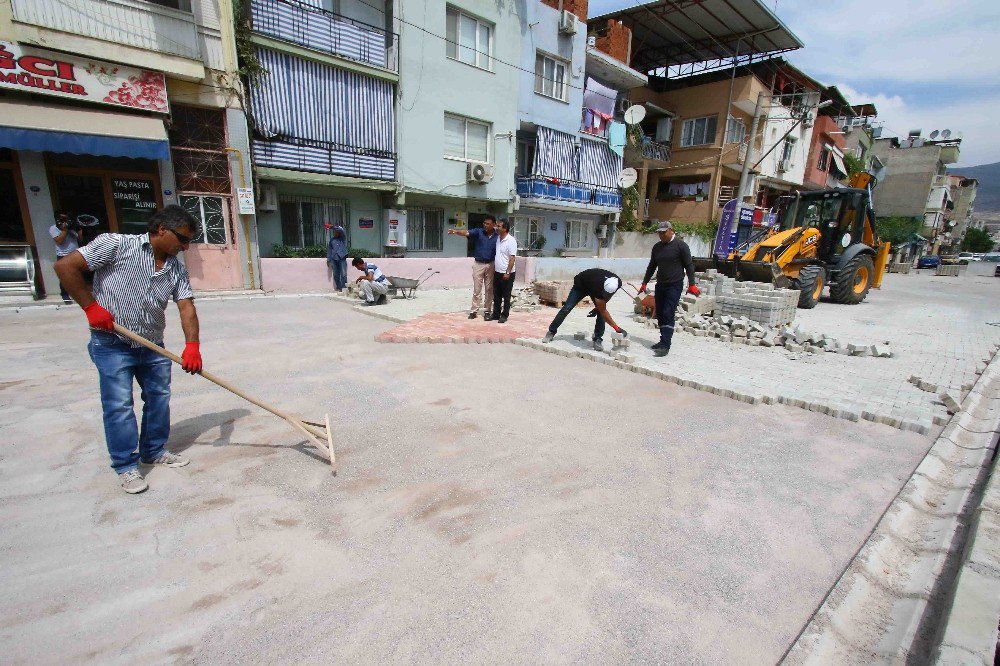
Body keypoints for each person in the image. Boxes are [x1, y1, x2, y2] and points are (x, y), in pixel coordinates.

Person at [54, 205, 203, 495]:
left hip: (152, 346)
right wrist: (91, 307)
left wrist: (192, 346)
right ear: (162, 229)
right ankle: (125, 466)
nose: (185, 247)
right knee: (120, 406)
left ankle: (153, 450)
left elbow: (186, 307)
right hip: (112, 344)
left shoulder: (175, 269)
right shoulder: (116, 245)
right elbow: (65, 266)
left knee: (159, 399)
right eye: (183, 239)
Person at [639, 220, 699, 357]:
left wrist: (692, 284)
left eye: (663, 232)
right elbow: (652, 266)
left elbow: (689, 265)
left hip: (675, 284)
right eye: (659, 233)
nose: (661, 235)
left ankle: (666, 345)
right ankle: (662, 340)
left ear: (671, 230)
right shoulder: (657, 247)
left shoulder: (681, 246)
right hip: (660, 284)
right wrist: (644, 283)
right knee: (660, 312)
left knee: (668, 312)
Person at [542, 268, 628, 351]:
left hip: (595, 284)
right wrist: (617, 328)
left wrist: (598, 308)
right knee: (566, 308)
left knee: (601, 313)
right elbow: (603, 310)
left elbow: (606, 298)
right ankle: (551, 332)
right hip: (581, 285)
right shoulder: (597, 287)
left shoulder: (618, 283)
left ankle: (597, 339)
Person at [447, 215, 497, 319]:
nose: (485, 225)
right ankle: (474, 311)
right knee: (477, 289)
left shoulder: (497, 236)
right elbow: (466, 232)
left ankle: (487, 311)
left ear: (493, 225)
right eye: (484, 223)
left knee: (489, 289)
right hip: (478, 264)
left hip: (491, 264)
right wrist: (456, 232)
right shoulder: (479, 232)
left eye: (488, 224)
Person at [490, 219, 517, 323]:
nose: (496, 227)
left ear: (505, 228)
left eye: (499, 226)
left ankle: (504, 315)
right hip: (497, 272)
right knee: (496, 295)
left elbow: (512, 258)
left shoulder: (511, 241)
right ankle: (496, 314)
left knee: (506, 295)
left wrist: (507, 272)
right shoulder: (498, 239)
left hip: (507, 273)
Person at [49, 210, 80, 303]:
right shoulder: (53, 228)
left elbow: (80, 239)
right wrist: (64, 230)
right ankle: (65, 294)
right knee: (64, 276)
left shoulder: (71, 227)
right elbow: (59, 241)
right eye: (62, 219)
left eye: (66, 218)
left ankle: (78, 293)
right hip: (63, 255)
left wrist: (77, 229)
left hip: (75, 253)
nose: (64, 221)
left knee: (78, 274)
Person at [326, 223, 349, 292]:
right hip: (334, 259)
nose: (335, 233)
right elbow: (329, 250)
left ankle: (344, 288)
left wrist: (332, 227)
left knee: (343, 274)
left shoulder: (342, 238)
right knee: (336, 275)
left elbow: (341, 230)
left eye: (336, 232)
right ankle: (339, 288)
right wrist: (328, 259)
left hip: (342, 258)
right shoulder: (332, 240)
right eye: (334, 232)